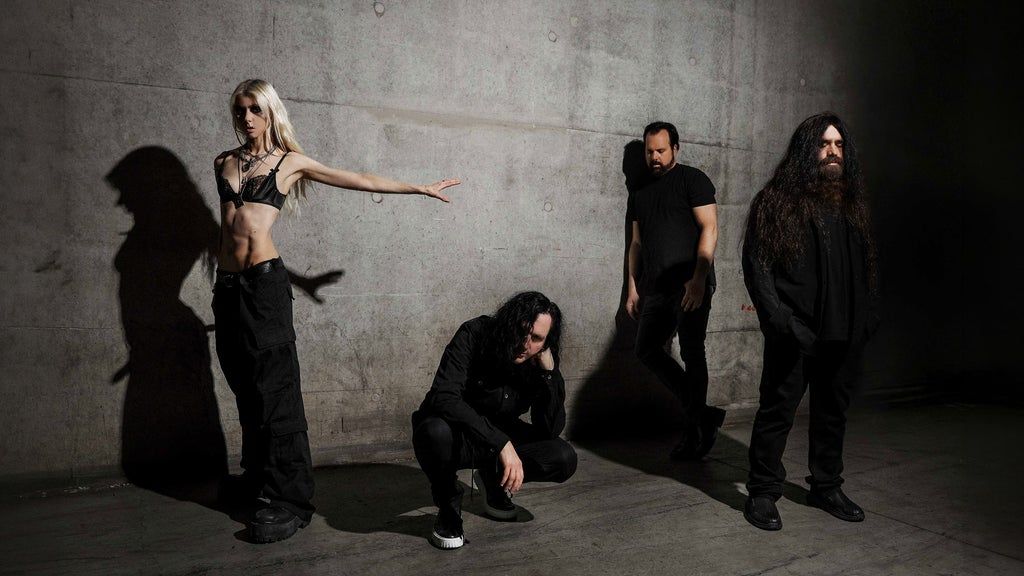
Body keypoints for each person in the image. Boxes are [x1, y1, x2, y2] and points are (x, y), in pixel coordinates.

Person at [212, 79, 460, 543]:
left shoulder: (289, 163)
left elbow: (357, 179)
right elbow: (228, 230)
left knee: (276, 391)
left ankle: (290, 499)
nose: (246, 118)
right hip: (227, 289)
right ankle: (258, 476)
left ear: (270, 112)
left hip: (264, 287)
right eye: (240, 110)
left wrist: (419, 188)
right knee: (244, 385)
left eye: (255, 109)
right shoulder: (224, 162)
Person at [741, 112, 880, 531]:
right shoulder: (776, 201)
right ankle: (763, 492)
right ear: (807, 150)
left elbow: (868, 268)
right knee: (777, 412)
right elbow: (757, 268)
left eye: (838, 144)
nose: (832, 152)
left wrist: (866, 319)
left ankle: (826, 486)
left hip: (844, 332)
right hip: (796, 333)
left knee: (832, 413)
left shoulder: (853, 205)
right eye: (823, 144)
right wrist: (782, 322)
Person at [411, 292, 578, 549]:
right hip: (457, 434)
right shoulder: (475, 333)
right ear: (510, 322)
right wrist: (501, 443)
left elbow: (549, 429)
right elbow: (444, 396)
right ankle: (448, 506)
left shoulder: (538, 359)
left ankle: (492, 479)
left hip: (496, 438)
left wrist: (549, 374)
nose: (525, 344)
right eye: (522, 331)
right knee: (433, 431)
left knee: (562, 457)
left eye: (536, 338)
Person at [625, 121, 725, 460]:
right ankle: (704, 415)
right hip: (655, 287)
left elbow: (710, 228)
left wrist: (699, 279)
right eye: (649, 151)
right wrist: (632, 287)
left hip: (688, 284)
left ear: (676, 149)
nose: (654, 157)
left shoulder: (692, 180)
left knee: (692, 352)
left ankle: (694, 431)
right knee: (646, 349)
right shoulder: (640, 192)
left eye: (661, 150)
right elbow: (636, 244)